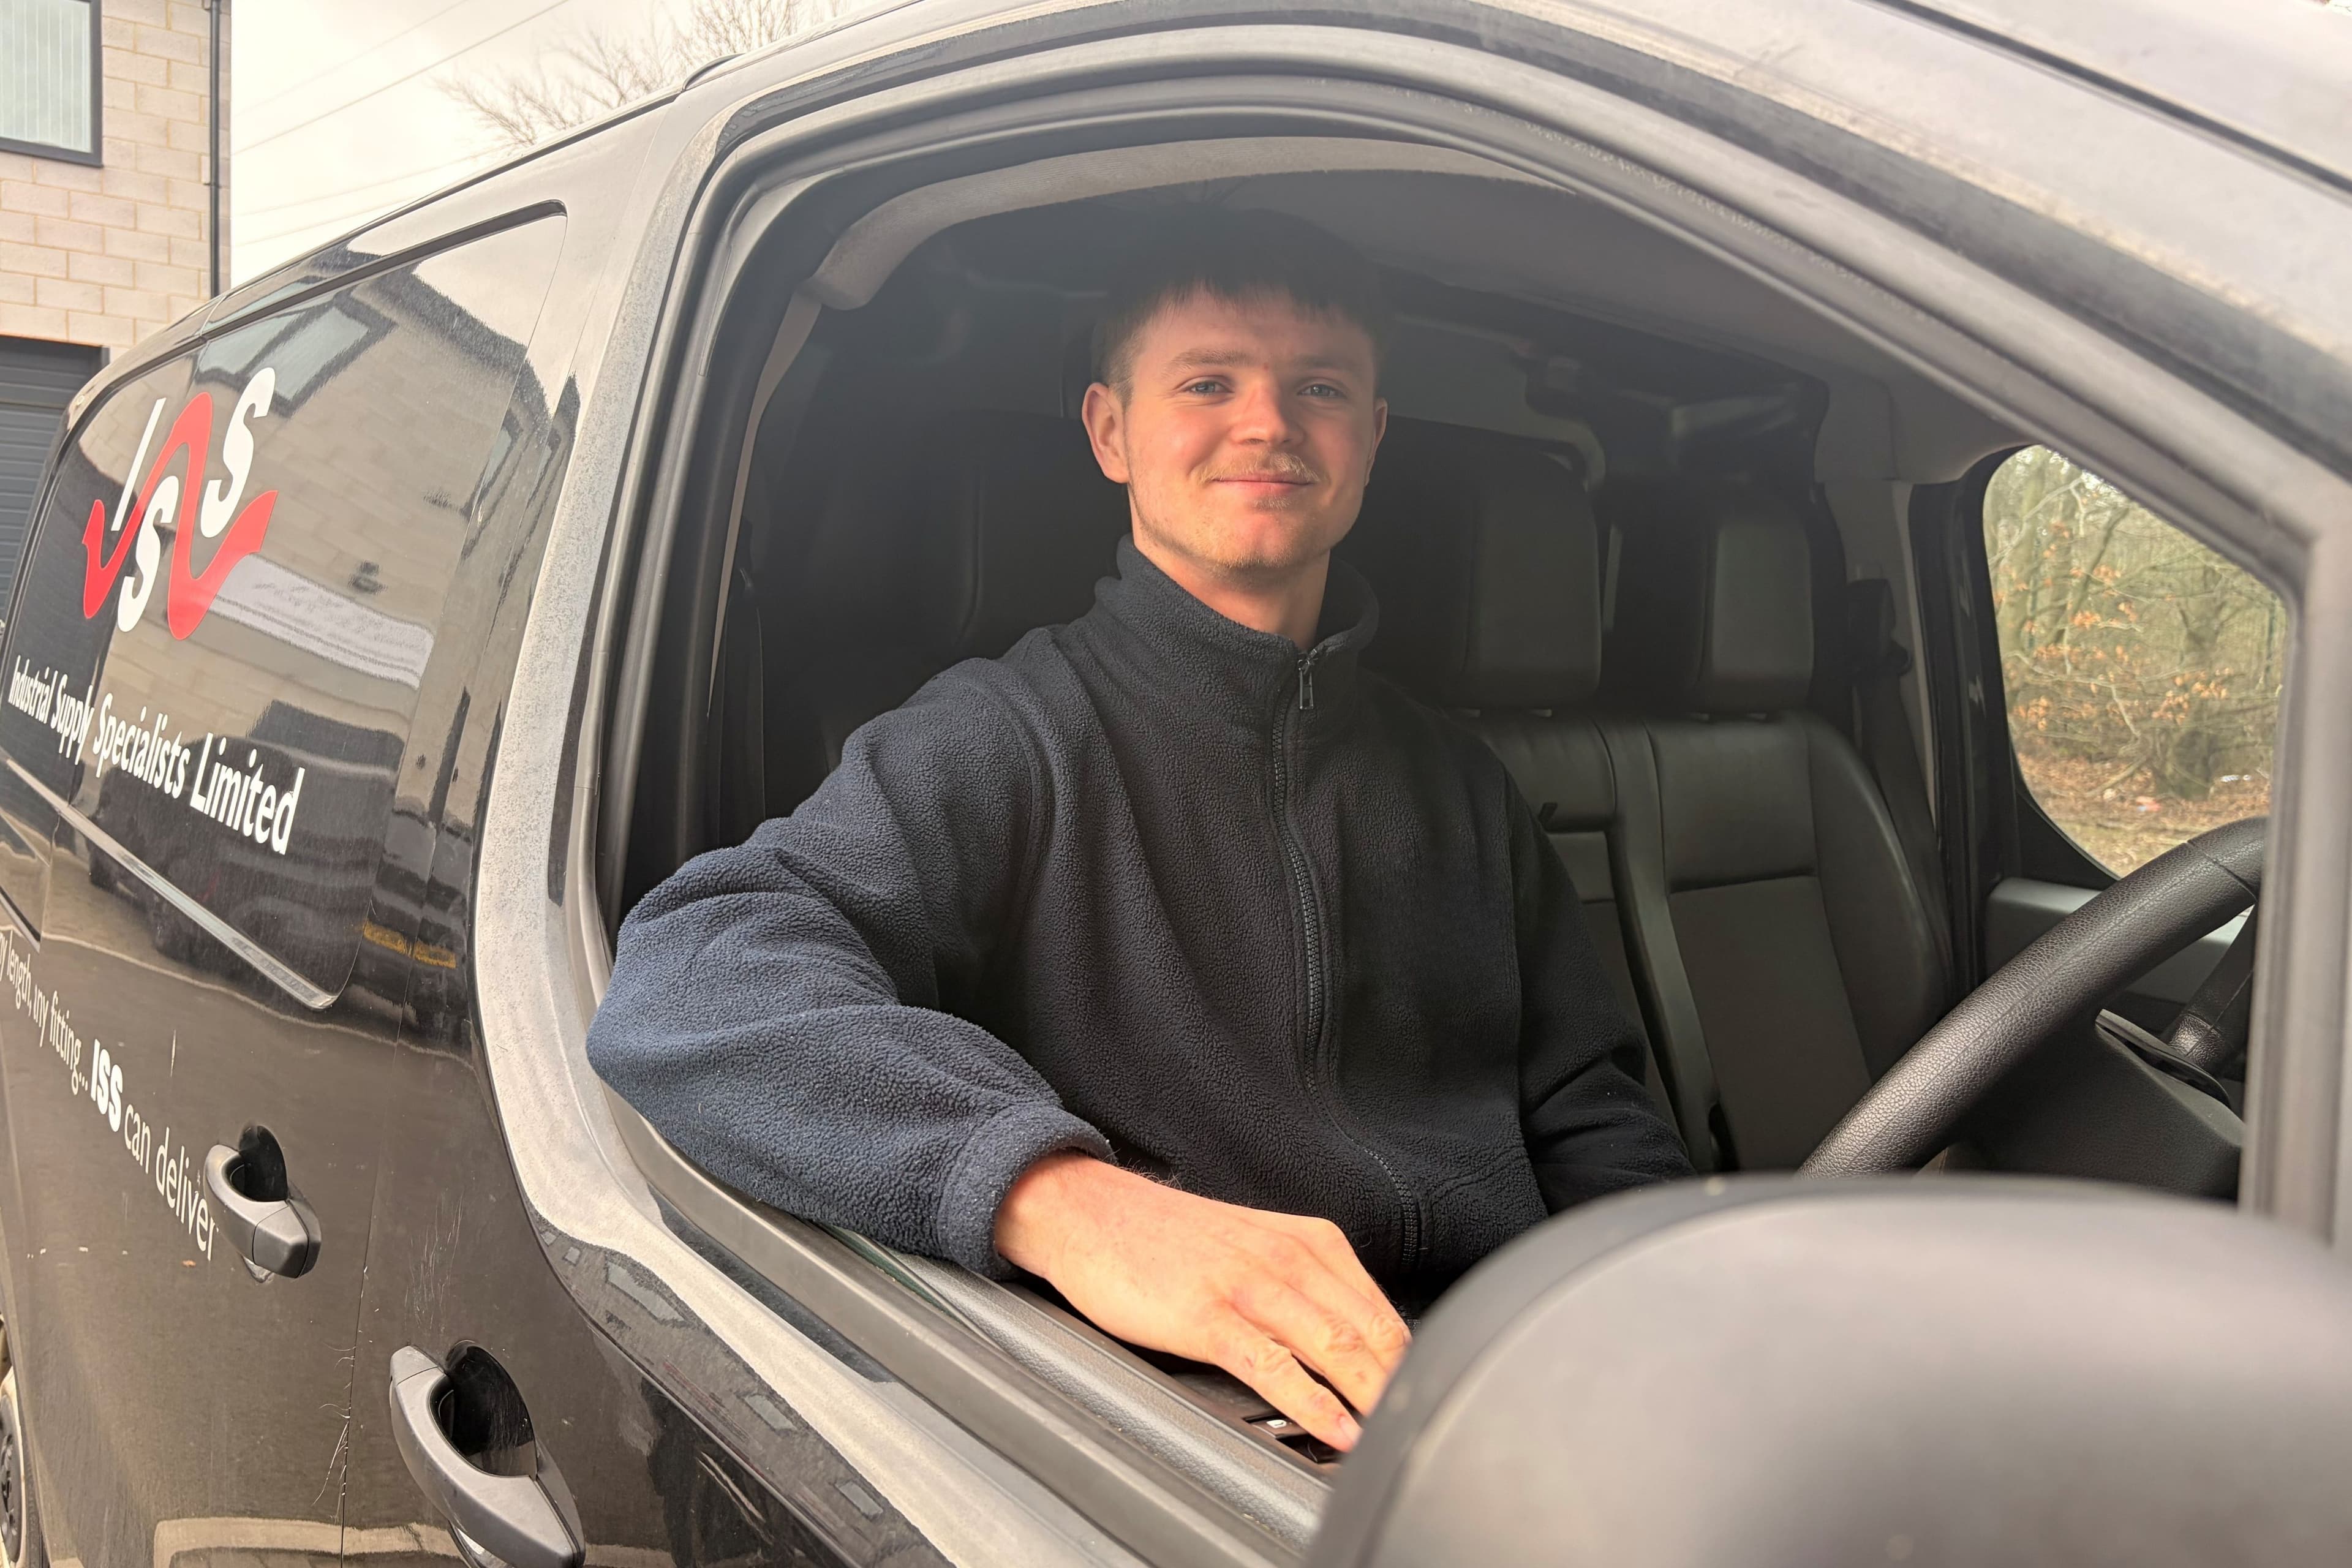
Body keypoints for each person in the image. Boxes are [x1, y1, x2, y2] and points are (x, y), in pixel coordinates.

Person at [589, 209, 1691, 1452]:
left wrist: (1676, 1331)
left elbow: (1590, 1110)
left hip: (1501, 1391)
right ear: (1112, 431)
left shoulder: (1461, 783)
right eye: (1208, 381)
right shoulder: (1006, 734)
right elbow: (691, 974)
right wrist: (1063, 1197)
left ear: (1372, 437)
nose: (1268, 422)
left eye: (1319, 386)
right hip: (1204, 1425)